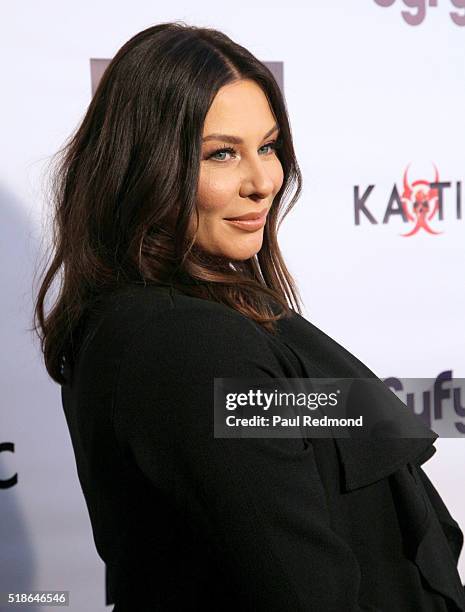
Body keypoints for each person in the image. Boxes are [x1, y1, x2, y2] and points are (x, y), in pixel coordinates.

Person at [33, 22, 465, 612]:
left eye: (267, 146)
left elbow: (310, 430)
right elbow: (303, 590)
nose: (263, 182)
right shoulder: (188, 346)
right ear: (144, 165)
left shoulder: (190, 322)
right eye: (221, 154)